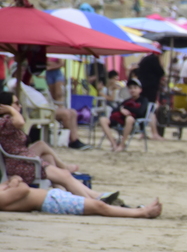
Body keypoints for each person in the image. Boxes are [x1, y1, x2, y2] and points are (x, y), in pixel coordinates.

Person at [0, 92, 106, 200]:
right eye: (16, 103)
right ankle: (91, 200)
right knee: (65, 176)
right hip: (20, 165)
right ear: (5, 106)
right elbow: (20, 123)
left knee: (48, 157)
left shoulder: (6, 121)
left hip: (20, 160)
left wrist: (12, 110)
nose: (20, 106)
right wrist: (12, 111)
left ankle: (82, 195)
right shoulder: (5, 122)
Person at [0, 175, 161, 218]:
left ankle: (139, 211)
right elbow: (22, 189)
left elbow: (17, 182)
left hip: (52, 197)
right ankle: (142, 212)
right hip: (51, 202)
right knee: (99, 206)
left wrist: (12, 182)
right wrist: (14, 182)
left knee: (97, 205)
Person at [97, 78, 149, 152]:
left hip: (136, 124)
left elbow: (140, 112)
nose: (132, 90)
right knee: (102, 119)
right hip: (121, 122)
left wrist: (126, 108)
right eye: (130, 88)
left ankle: (122, 144)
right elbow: (114, 110)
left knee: (129, 119)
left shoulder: (143, 100)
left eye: (135, 88)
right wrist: (121, 110)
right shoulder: (127, 101)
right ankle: (114, 144)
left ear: (140, 90)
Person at [134, 52, 165, 140]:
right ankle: (154, 133)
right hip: (151, 88)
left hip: (142, 87)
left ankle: (143, 132)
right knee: (151, 110)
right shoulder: (154, 60)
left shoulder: (144, 59)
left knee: (144, 109)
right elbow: (161, 72)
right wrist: (161, 61)